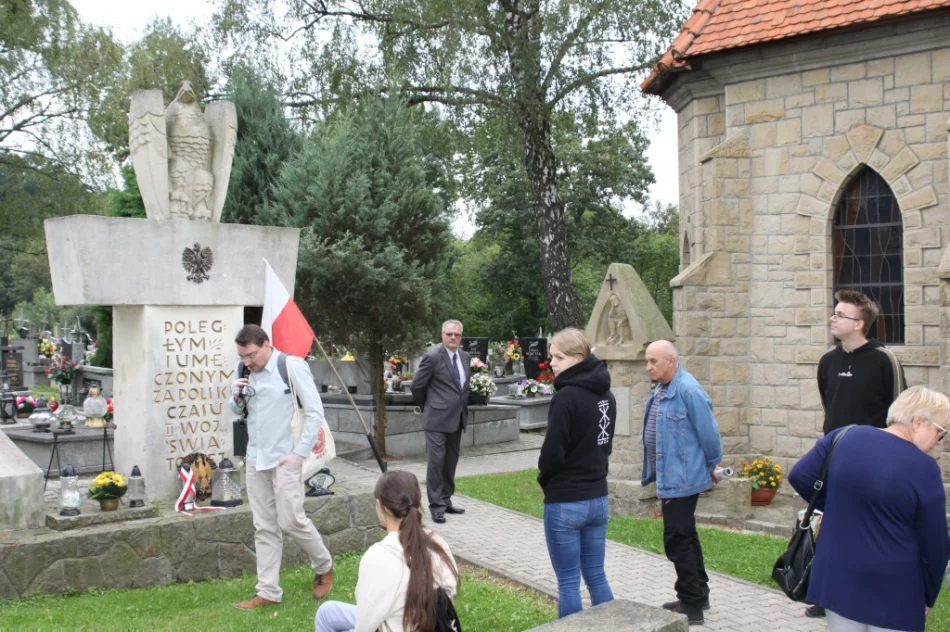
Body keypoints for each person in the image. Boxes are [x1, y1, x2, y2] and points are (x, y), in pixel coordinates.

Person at [788, 385, 949, 632]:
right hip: (894, 588)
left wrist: (839, 507)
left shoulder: (844, 436)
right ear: (917, 422)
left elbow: (800, 476)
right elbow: (935, 543)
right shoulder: (924, 468)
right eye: (941, 432)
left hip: (837, 575)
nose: (939, 442)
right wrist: (928, 595)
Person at [808, 288, 906, 618]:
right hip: (834, 461)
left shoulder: (884, 360)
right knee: (832, 527)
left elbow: (899, 412)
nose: (833, 319)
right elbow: (829, 405)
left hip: (875, 465)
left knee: (868, 530)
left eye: (840, 315)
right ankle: (827, 596)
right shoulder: (828, 361)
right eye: (834, 313)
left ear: (859, 324)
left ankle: (867, 596)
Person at [229, 324, 334, 610]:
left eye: (251, 355)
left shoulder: (291, 365)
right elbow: (238, 411)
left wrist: (299, 454)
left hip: (286, 457)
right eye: (242, 356)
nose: (247, 361)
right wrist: (235, 396)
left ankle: (324, 565)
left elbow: (314, 412)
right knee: (263, 526)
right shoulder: (242, 370)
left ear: (266, 344)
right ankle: (268, 592)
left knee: (291, 520)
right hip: (255, 457)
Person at [314, 470, 460, 632]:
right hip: (432, 625)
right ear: (418, 501)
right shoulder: (438, 543)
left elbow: (364, 627)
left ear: (379, 506)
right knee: (327, 612)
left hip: (402, 625)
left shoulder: (379, 557)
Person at [642, 340, 722, 626]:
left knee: (676, 539)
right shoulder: (664, 387)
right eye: (647, 361)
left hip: (682, 478)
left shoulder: (688, 390)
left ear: (671, 362)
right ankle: (698, 594)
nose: (648, 366)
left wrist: (711, 466)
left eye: (653, 361)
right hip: (672, 475)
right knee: (686, 534)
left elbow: (710, 435)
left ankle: (691, 605)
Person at [537, 327, 616, 618]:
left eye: (558, 357)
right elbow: (604, 446)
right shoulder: (607, 394)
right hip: (598, 498)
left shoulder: (566, 397)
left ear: (579, 358)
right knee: (597, 575)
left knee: (569, 583)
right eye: (551, 356)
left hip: (566, 500)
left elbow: (552, 453)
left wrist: (545, 479)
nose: (552, 363)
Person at [410, 319, 470, 524]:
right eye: (449, 334)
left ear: (461, 337)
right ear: (442, 335)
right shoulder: (433, 356)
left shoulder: (465, 357)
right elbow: (417, 385)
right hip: (435, 419)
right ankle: (436, 507)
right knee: (436, 462)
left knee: (450, 462)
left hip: (457, 418)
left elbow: (463, 387)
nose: (453, 337)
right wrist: (428, 406)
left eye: (457, 334)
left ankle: (446, 500)